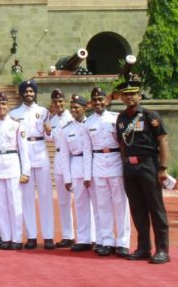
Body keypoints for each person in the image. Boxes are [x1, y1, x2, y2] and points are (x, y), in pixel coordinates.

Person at [116, 77, 171, 264]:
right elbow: (121, 143)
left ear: (139, 95)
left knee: (156, 208)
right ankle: (143, 248)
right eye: (126, 94)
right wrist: (125, 163)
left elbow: (162, 141)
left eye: (133, 94)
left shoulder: (150, 115)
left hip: (148, 165)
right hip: (130, 168)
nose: (129, 97)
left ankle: (162, 249)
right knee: (137, 209)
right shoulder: (121, 118)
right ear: (121, 97)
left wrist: (162, 167)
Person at [83, 86, 130, 257]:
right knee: (102, 205)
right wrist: (87, 175)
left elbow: (124, 144)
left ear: (107, 100)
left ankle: (123, 243)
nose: (98, 102)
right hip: (98, 165)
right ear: (91, 102)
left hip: (116, 161)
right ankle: (107, 241)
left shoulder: (116, 119)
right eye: (95, 100)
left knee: (120, 204)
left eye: (101, 99)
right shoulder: (87, 123)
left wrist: (126, 168)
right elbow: (87, 150)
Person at [8, 79, 55, 250]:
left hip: (41, 153)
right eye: (26, 91)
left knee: (46, 196)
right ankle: (32, 236)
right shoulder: (14, 113)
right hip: (23, 154)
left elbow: (49, 136)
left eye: (31, 91)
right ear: (21, 94)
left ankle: (49, 236)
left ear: (35, 93)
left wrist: (49, 132)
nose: (29, 94)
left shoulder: (44, 111)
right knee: (26, 198)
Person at [0, 92, 30, 250]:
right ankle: (5, 237)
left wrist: (26, 172)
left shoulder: (16, 125)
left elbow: (23, 150)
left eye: (3, 104)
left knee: (14, 204)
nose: (1, 107)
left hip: (12, 166)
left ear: (8, 106)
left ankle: (16, 238)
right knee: (0, 204)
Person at [61, 95, 98, 252]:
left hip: (95, 166)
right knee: (80, 205)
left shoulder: (91, 124)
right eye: (72, 107)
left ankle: (99, 238)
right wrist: (67, 178)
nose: (74, 110)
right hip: (76, 167)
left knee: (98, 205)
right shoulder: (66, 129)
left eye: (77, 107)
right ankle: (83, 239)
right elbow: (64, 155)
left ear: (85, 108)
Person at [45, 89, 74, 248]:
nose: (58, 104)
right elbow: (50, 139)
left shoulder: (72, 116)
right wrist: (48, 132)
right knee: (63, 202)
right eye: (55, 102)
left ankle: (90, 237)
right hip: (58, 160)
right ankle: (67, 235)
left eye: (61, 101)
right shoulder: (53, 120)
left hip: (72, 159)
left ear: (65, 101)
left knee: (83, 201)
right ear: (52, 104)